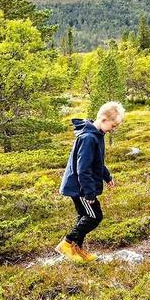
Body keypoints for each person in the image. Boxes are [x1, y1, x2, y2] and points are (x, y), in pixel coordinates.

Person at [56, 101, 124, 262]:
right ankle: (66, 244)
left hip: (80, 186)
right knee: (94, 216)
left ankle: (76, 250)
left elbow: (97, 162)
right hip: (80, 187)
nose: (113, 129)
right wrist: (89, 193)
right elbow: (83, 169)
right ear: (104, 119)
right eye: (113, 125)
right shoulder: (88, 138)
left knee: (84, 215)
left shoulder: (97, 135)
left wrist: (107, 176)